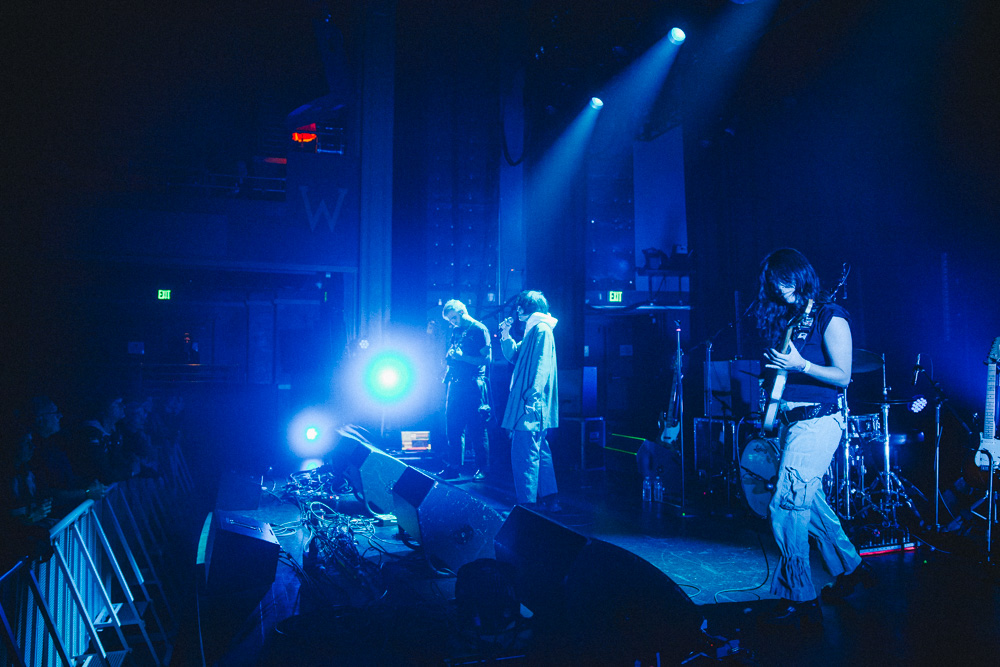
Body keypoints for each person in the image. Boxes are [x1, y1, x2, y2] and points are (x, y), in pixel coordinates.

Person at [755, 248, 873, 629]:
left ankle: (799, 594)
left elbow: (843, 376)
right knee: (811, 504)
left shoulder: (830, 316)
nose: (779, 288)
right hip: (791, 422)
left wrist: (801, 365)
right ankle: (850, 568)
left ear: (800, 275)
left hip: (820, 421)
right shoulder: (791, 319)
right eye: (773, 283)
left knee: (786, 505)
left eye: (784, 280)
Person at [499, 290, 560, 511]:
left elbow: (541, 365)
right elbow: (515, 356)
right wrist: (505, 334)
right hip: (532, 400)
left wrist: (532, 396)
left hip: (531, 402)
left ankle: (527, 503)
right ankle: (550, 499)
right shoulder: (535, 328)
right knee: (538, 448)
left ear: (526, 307)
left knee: (524, 450)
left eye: (519, 307)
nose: (516, 311)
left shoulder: (540, 329)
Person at [440, 300, 492, 480]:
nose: (452, 322)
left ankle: (482, 468)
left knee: (477, 427)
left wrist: (463, 357)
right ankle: (454, 466)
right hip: (455, 384)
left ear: (462, 311)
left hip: (473, 385)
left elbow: (486, 360)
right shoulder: (456, 331)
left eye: (453, 317)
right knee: (453, 427)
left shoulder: (479, 329)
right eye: (450, 319)